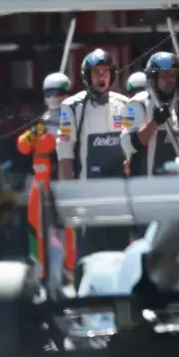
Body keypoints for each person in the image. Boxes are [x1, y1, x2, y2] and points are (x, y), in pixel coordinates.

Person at [57, 49, 131, 255]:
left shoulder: (124, 104)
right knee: (89, 254)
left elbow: (132, 147)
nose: (101, 76)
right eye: (96, 72)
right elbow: (64, 153)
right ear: (86, 76)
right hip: (87, 196)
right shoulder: (71, 106)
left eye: (105, 71)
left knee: (120, 252)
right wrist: (69, 196)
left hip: (119, 194)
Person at [19, 72, 74, 281]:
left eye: (59, 93)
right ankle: (40, 270)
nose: (55, 97)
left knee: (71, 227)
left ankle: (71, 268)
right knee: (35, 225)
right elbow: (22, 146)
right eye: (50, 93)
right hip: (41, 183)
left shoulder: (75, 117)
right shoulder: (41, 122)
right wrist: (36, 132)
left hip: (65, 181)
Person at [121, 52, 179, 177]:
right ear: (152, 78)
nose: (169, 80)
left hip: (169, 184)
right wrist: (155, 122)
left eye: (173, 75)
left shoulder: (171, 107)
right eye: (164, 75)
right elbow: (127, 144)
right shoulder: (135, 104)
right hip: (142, 185)